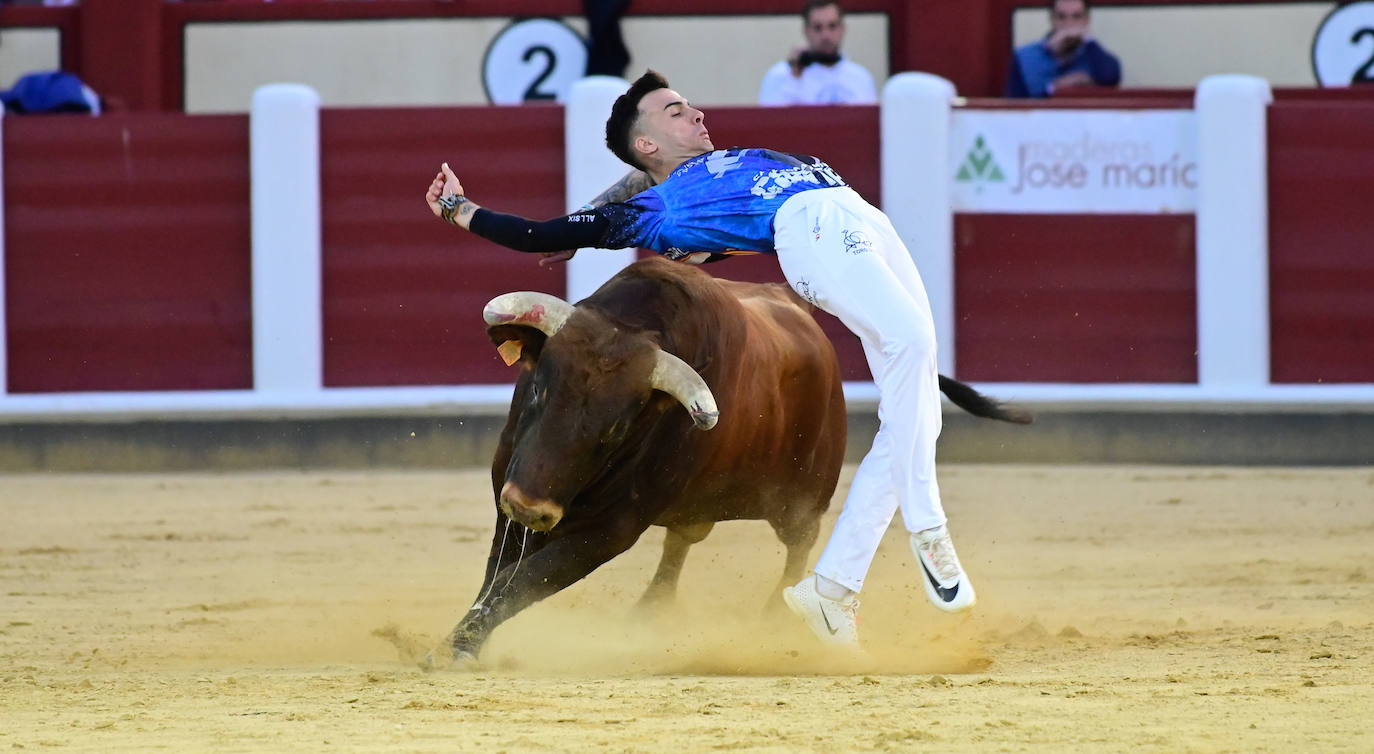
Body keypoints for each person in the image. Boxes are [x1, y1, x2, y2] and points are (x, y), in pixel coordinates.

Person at [423, 70, 975, 651]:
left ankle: (834, 589)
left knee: (915, 409)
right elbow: (536, 233)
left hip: (860, 218)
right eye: (676, 111)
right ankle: (929, 528)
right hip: (813, 230)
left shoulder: (679, 172)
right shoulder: (654, 214)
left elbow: (629, 180)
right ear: (648, 143)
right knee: (913, 345)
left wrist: (587, 212)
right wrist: (458, 208)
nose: (698, 114)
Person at [758, 0, 877, 106]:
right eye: (817, 27)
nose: (826, 35)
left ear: (842, 29)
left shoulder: (861, 78)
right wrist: (794, 79)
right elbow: (773, 125)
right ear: (806, 31)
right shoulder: (781, 75)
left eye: (832, 26)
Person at [1006, 0, 1121, 98]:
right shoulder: (1025, 57)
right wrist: (1055, 88)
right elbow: (1013, 108)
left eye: (1077, 16)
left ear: (1087, 19)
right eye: (1061, 17)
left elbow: (1110, 78)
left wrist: (1088, 39)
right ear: (1052, 19)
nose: (1069, 24)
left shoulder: (1094, 55)